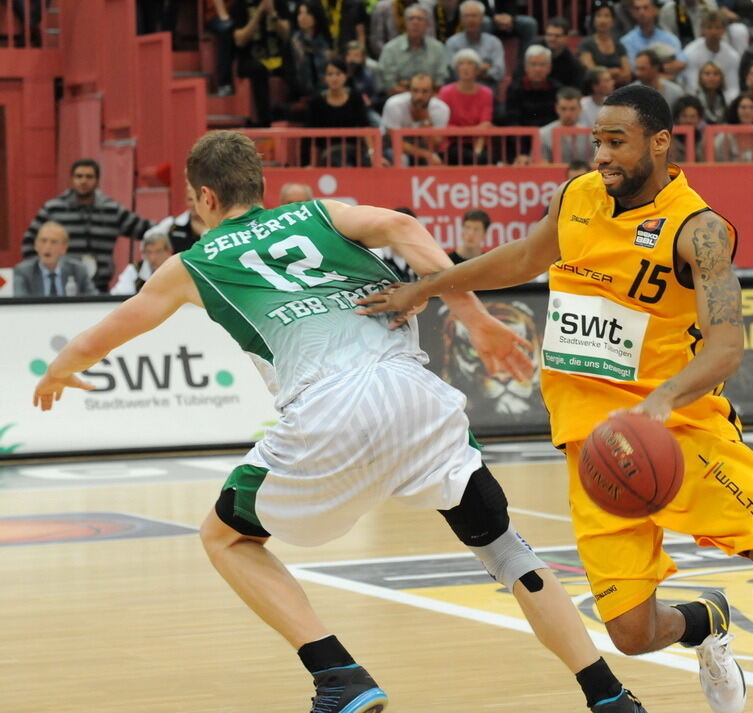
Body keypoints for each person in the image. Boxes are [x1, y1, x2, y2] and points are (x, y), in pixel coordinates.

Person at [359, 83, 753, 713]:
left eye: (617, 142)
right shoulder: (578, 197)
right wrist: (428, 287)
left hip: (680, 429)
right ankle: (708, 621)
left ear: (660, 142)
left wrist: (662, 399)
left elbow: (726, 349)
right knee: (631, 636)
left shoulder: (702, 231)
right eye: (596, 142)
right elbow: (523, 257)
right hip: (596, 448)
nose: (602, 155)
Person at [32, 129, 650, 713]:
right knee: (506, 549)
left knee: (225, 537)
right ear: (261, 186)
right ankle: (608, 695)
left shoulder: (190, 264)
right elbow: (404, 226)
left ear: (207, 198)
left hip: (326, 411)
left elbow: (114, 328)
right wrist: (476, 318)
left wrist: (60, 368)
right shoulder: (322, 214)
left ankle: (338, 675)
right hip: (417, 398)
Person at [21, 159, 153, 293]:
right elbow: (29, 241)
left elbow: (145, 230)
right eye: (79, 176)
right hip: (61, 286)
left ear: (97, 180)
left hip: (100, 285)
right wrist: (40, 272)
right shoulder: (53, 208)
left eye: (89, 177)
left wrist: (171, 226)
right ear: (71, 179)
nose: (83, 181)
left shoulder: (111, 209)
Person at [305, 58, 379, 167]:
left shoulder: (356, 98)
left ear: (345, 76)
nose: (334, 78)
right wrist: (313, 164)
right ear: (325, 78)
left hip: (354, 153)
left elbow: (365, 127)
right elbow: (314, 138)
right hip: (328, 155)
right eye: (330, 74)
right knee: (337, 160)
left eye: (338, 74)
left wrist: (373, 156)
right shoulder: (316, 102)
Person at [232, 0, 294, 126]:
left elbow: (287, 34)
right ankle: (265, 121)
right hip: (249, 59)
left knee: (293, 63)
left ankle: (290, 113)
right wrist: (259, 13)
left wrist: (272, 13)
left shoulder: (279, 3)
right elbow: (239, 40)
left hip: (277, 58)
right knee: (258, 69)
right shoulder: (240, 5)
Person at [377, 4, 449, 98]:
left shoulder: (438, 48)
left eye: (419, 19)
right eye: (411, 19)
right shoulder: (390, 49)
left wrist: (406, 84)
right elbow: (389, 86)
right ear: (405, 23)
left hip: (431, 100)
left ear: (427, 24)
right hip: (399, 99)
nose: (415, 22)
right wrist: (419, 93)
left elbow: (441, 82)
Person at [438, 48, 494, 164]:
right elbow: (445, 126)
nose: (465, 67)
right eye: (461, 64)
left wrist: (477, 149)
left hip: (476, 143)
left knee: (484, 158)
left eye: (470, 64)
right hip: (452, 143)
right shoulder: (445, 92)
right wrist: (474, 130)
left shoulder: (486, 93)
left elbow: (485, 124)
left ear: (477, 69)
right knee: (463, 156)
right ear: (456, 69)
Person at [14, 221, 98, 297]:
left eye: (54, 242)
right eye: (43, 241)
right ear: (36, 245)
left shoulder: (78, 270)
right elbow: (20, 304)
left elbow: (95, 300)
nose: (48, 247)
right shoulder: (23, 272)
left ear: (64, 248)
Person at [381, 72, 451, 165]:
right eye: (415, 90)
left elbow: (434, 144)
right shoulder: (394, 105)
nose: (419, 96)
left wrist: (425, 121)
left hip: (421, 145)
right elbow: (395, 142)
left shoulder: (441, 109)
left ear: (433, 93)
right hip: (391, 146)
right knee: (402, 159)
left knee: (435, 161)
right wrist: (425, 154)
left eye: (425, 91)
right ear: (409, 91)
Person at [444, 0, 505, 92]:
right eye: (467, 16)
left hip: (487, 90)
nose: (470, 20)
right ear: (461, 19)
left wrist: (466, 70)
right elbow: (451, 73)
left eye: (474, 16)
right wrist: (482, 69)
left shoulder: (494, 42)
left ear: (482, 18)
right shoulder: (452, 42)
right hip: (459, 91)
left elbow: (499, 73)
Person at [680, 10, 741, 93]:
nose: (713, 32)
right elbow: (692, 86)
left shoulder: (733, 56)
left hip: (722, 99)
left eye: (717, 27)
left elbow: (733, 87)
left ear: (724, 30)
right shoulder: (690, 52)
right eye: (709, 27)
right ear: (702, 30)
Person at [621, 0, 687, 72]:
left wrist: (656, 70)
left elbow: (681, 63)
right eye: (637, 9)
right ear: (633, 13)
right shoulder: (626, 41)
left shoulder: (669, 38)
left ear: (655, 10)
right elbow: (634, 69)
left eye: (646, 8)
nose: (641, 12)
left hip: (668, 80)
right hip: (640, 82)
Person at [578, 0, 632, 88]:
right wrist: (615, 71)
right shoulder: (586, 44)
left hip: (618, 91)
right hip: (594, 92)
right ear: (593, 19)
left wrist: (605, 77)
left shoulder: (619, 45)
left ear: (613, 20)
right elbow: (593, 73)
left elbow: (627, 75)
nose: (602, 20)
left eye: (607, 16)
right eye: (598, 15)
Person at [290, 1, 334, 98]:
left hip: (328, 91)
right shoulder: (292, 43)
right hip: (301, 95)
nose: (302, 17)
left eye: (308, 13)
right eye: (300, 13)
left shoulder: (326, 42)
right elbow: (291, 76)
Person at [109, 232, 174, 296]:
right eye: (148, 252)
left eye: (158, 251)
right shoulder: (134, 270)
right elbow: (119, 295)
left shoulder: (179, 269)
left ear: (169, 252)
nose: (153, 258)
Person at [540, 86, 592, 163]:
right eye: (563, 109)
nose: (568, 114)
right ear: (556, 108)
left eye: (572, 109)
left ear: (580, 109)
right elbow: (541, 164)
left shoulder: (590, 135)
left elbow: (595, 163)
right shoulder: (544, 134)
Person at [713, 91, 753, 162]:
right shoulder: (725, 137)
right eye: (743, 107)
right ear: (736, 110)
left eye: (752, 107)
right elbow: (718, 163)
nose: (747, 111)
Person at [632, 49, 687, 113]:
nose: (637, 73)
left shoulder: (676, 92)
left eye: (642, 69)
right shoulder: (630, 93)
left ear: (655, 68)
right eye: (637, 68)